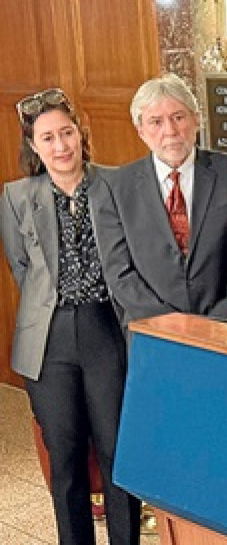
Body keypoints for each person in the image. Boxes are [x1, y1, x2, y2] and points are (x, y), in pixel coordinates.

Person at [0, 89, 140, 545]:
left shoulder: (116, 184)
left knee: (118, 452)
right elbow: (21, 267)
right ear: (34, 147)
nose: (60, 146)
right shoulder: (17, 196)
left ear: (81, 135)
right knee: (65, 456)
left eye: (66, 133)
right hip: (49, 339)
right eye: (48, 138)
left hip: (106, 329)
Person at [94, 73, 227, 327]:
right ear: (140, 130)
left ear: (196, 119)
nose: (170, 131)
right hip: (152, 332)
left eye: (178, 117)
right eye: (156, 122)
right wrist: (170, 324)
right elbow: (119, 273)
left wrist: (216, 322)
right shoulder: (115, 187)